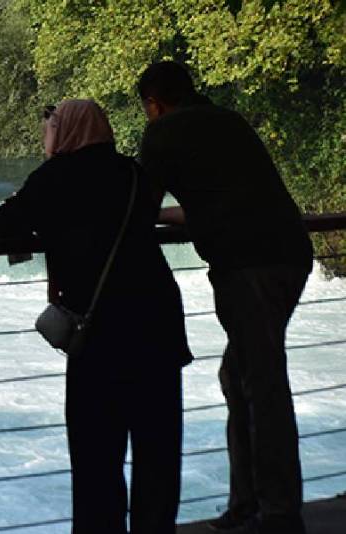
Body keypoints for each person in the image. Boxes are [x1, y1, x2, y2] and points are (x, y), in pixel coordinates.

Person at [0, 99, 192, 534]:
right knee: (157, 450)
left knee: (96, 455)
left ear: (65, 132)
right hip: (157, 321)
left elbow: (3, 223)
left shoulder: (55, 178)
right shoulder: (135, 174)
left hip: (100, 333)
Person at [137, 61, 314, 534]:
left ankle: (277, 513)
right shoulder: (228, 121)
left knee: (261, 385)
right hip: (290, 253)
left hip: (248, 266)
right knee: (241, 377)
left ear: (154, 104)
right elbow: (223, 199)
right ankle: (251, 502)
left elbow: (140, 206)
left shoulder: (163, 133)